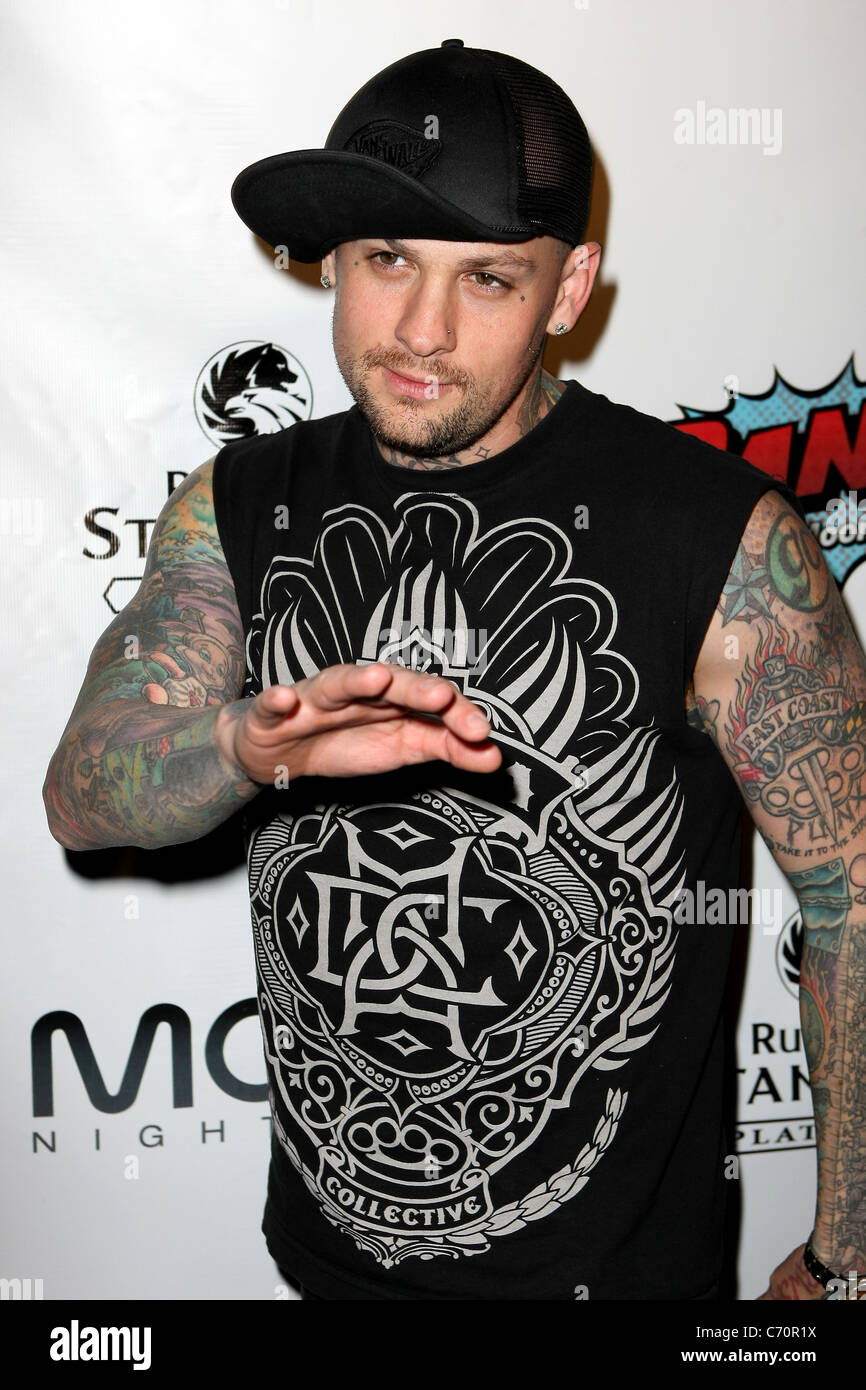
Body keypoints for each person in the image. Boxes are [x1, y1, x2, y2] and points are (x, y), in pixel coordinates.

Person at [44, 40, 864, 1302]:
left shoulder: (722, 539)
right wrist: (241, 746)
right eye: (387, 261)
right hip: (331, 1269)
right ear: (335, 261)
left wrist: (844, 1260)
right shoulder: (241, 503)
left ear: (567, 288)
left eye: (485, 277)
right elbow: (81, 799)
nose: (420, 331)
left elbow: (852, 902)